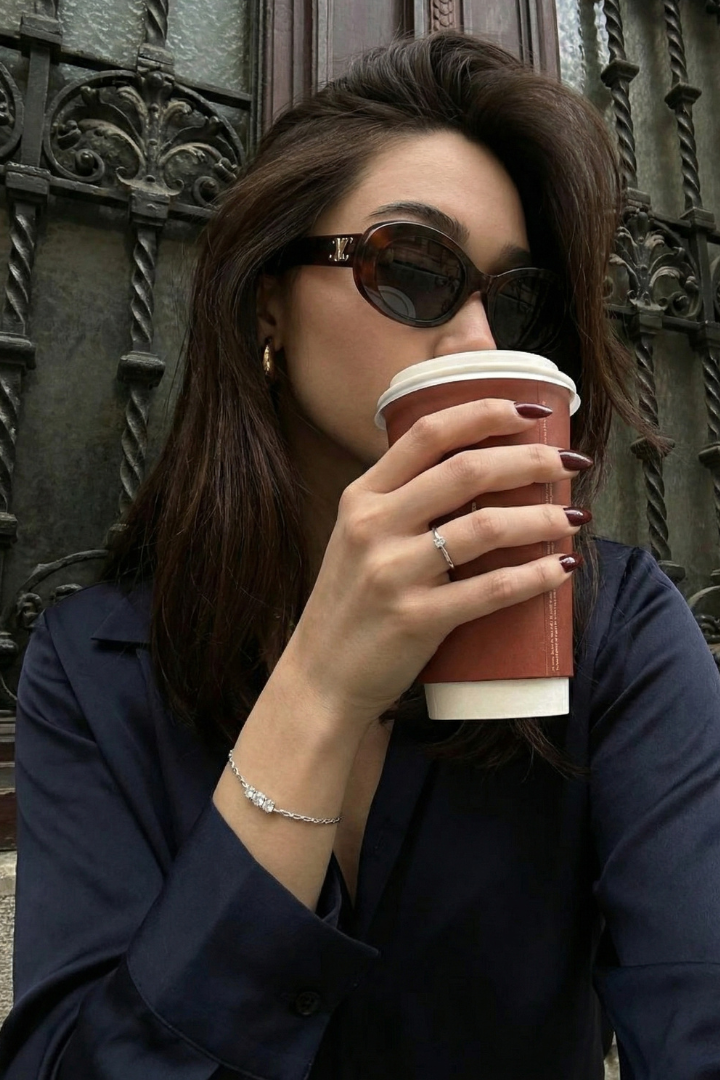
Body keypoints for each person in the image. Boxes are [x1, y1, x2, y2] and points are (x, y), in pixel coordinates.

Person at [1, 28, 719, 1080]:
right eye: (413, 269)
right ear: (269, 306)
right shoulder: (93, 665)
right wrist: (323, 689)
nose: (478, 340)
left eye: (513, 299)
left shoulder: (617, 628)